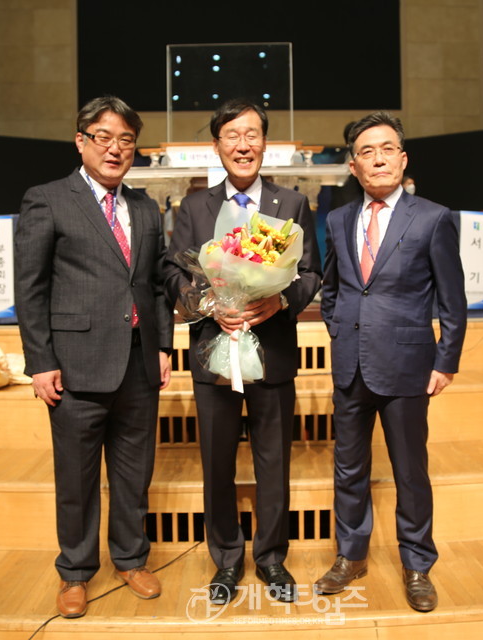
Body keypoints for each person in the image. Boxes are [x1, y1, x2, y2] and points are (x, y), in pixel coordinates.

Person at [14, 96, 174, 619]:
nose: (115, 148)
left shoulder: (147, 208)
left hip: (138, 362)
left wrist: (165, 345)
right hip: (75, 362)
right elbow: (31, 287)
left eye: (126, 139)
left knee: (134, 471)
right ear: (81, 141)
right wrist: (40, 360)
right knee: (77, 478)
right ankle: (76, 571)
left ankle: (130, 558)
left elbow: (152, 287)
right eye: (103, 136)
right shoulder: (48, 199)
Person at [164, 98, 322, 604]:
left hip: (272, 353)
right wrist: (211, 304)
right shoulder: (193, 207)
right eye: (232, 135)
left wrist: (280, 299)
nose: (243, 145)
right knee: (218, 464)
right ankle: (227, 560)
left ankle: (272, 559)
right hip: (214, 353)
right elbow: (172, 272)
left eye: (252, 134)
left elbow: (313, 273)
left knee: (273, 463)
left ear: (264, 143)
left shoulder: (292, 204)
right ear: (217, 146)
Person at [316, 111, 467, 613]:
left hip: (407, 365)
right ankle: (350, 554)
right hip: (349, 363)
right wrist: (338, 330)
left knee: (409, 471)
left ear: (402, 158)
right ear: (353, 166)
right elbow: (335, 289)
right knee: (348, 468)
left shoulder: (432, 217)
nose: (378, 158)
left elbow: (453, 300)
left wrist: (446, 361)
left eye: (387, 149)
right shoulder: (338, 220)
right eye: (366, 151)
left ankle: (418, 564)